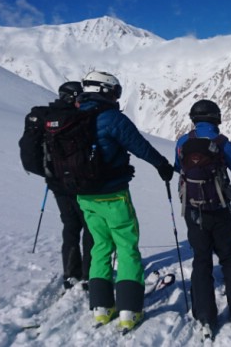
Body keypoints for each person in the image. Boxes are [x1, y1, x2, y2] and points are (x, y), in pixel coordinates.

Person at [74, 71, 175, 331]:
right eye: (115, 91)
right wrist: (162, 165)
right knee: (127, 246)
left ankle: (101, 308)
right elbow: (139, 146)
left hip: (84, 195)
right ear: (105, 91)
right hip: (114, 195)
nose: (117, 97)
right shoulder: (111, 118)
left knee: (100, 246)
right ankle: (129, 310)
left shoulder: (73, 117)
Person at [174, 99, 231, 338]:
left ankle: (204, 315)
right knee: (229, 258)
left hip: (192, 211)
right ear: (216, 118)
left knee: (201, 261)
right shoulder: (221, 142)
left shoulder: (183, 142)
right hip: (220, 210)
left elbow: (178, 167)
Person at [23, 81, 94, 291]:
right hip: (81, 183)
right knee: (90, 227)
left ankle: (71, 274)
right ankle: (90, 274)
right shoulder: (79, 119)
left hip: (56, 183)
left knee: (70, 226)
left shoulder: (46, 118)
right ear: (74, 97)